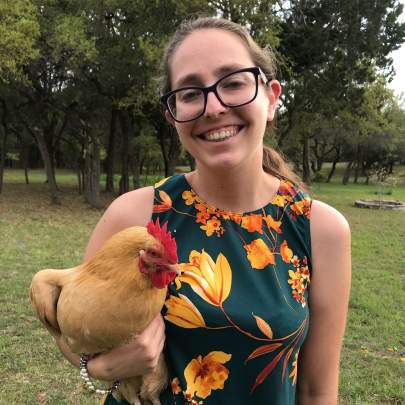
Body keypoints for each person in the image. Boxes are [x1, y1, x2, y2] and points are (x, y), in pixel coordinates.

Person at [55, 16, 351, 405]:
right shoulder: (133, 215)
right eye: (191, 93)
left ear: (271, 98)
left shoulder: (319, 229)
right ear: (172, 114)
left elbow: (316, 391)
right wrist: (97, 368)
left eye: (233, 82)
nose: (213, 107)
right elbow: (74, 328)